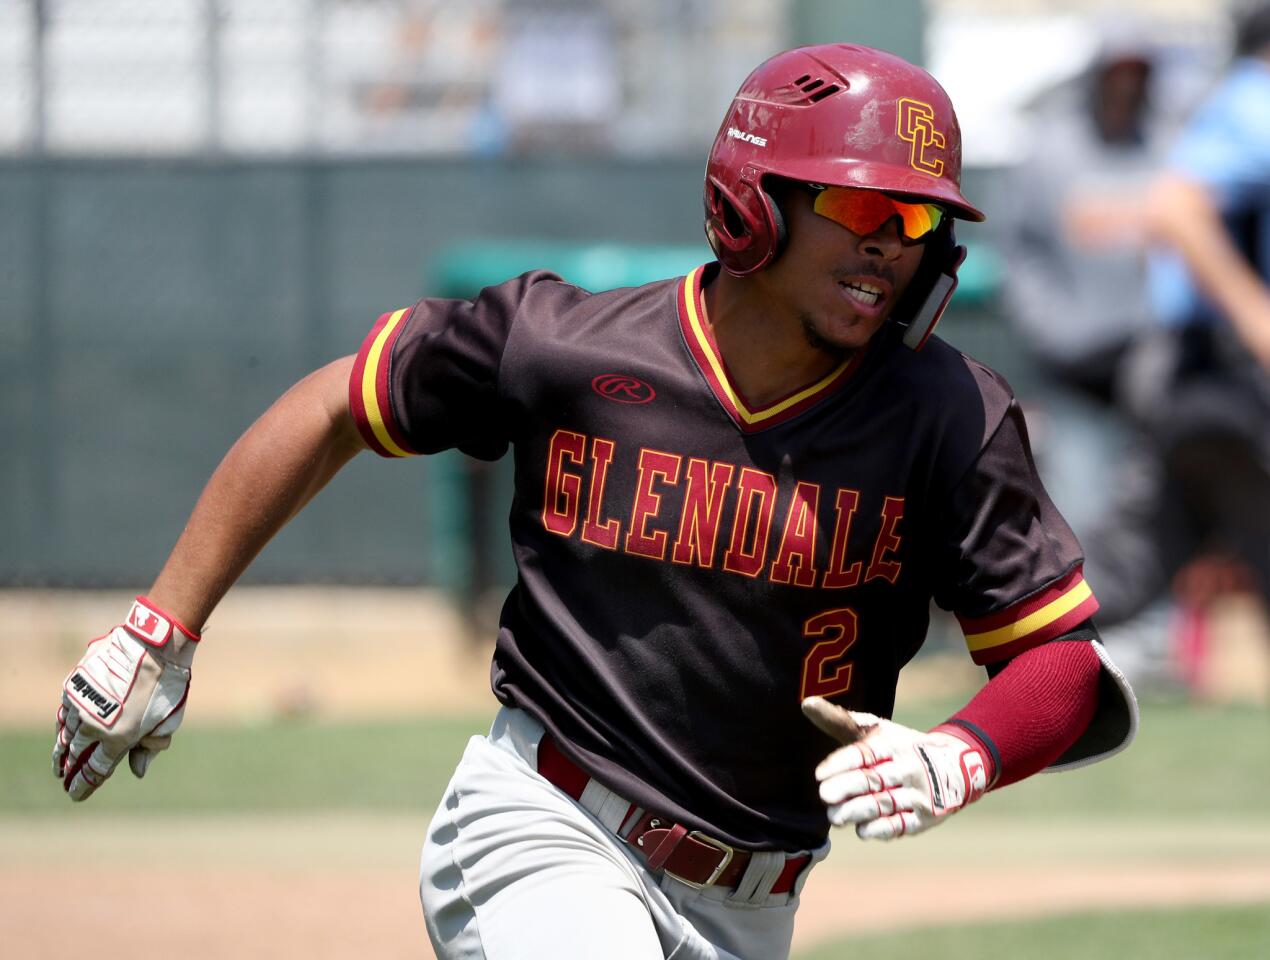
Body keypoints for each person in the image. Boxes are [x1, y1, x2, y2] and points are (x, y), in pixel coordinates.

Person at [52, 44, 1136, 960]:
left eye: (914, 221)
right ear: (752, 201)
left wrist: (960, 755)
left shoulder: (950, 415)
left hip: (752, 904)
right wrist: (162, 629)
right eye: (858, 204)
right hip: (544, 825)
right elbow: (337, 404)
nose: (887, 246)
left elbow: (1062, 665)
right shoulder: (565, 345)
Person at [1080, 4, 1270, 650]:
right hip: (1216, 373)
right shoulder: (1255, 99)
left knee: (1133, 563)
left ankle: (1019, 637)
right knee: (1135, 558)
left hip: (1199, 375)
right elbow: (1177, 208)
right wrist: (1256, 317)